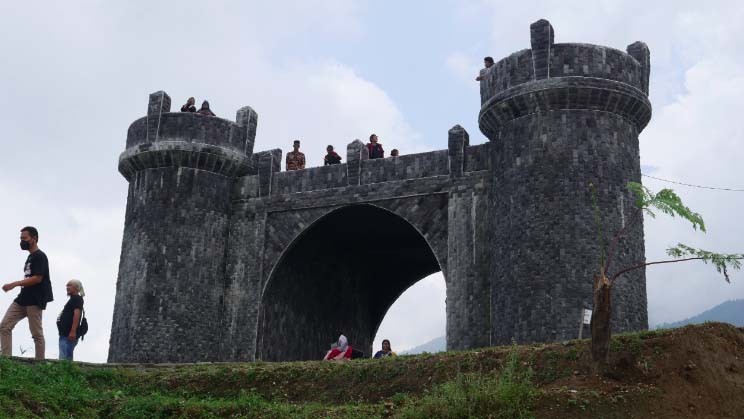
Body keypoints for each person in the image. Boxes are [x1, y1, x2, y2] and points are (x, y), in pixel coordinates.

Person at [0, 226, 53, 359]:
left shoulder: (40, 256)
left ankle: (40, 364)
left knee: (36, 333)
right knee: (5, 326)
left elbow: (38, 278)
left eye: (24, 238)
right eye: (21, 238)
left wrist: (14, 284)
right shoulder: (30, 257)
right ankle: (6, 359)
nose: (22, 241)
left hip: (35, 300)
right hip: (23, 298)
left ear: (33, 239)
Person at [57, 280, 84, 361]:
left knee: (65, 360)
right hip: (65, 334)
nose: (67, 287)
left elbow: (77, 314)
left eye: (69, 285)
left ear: (76, 287)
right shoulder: (73, 299)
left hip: (68, 335)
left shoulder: (77, 299)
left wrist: (73, 331)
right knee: (64, 358)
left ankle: (65, 373)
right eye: (66, 286)